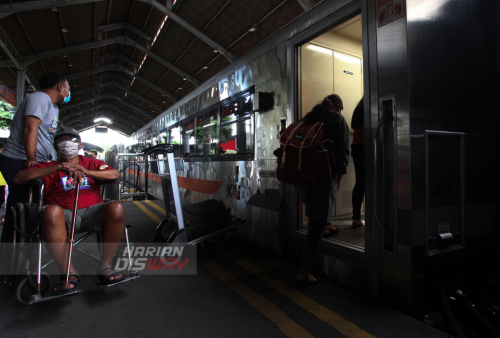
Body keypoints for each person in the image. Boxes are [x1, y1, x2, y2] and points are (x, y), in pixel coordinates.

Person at [14, 127, 125, 292]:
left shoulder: (92, 163)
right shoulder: (47, 166)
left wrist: (87, 172)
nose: (67, 143)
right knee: (50, 211)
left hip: (92, 212)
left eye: (72, 140)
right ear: (56, 146)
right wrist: (58, 169)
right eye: (61, 140)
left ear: (80, 146)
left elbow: (115, 174)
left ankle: (106, 266)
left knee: (116, 207)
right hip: (60, 216)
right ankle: (68, 273)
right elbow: (19, 178)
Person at [0, 71, 70, 240]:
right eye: (68, 88)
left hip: (33, 160)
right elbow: (30, 128)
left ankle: (27, 254)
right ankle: (11, 254)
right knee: (20, 208)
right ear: (60, 87)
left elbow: (43, 135)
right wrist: (31, 158)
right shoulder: (40, 98)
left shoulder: (53, 107)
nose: (69, 92)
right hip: (19, 160)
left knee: (31, 206)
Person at [296, 94, 350, 286]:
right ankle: (304, 271)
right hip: (323, 175)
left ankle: (326, 226)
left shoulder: (309, 117)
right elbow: (343, 153)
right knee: (317, 223)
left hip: (302, 174)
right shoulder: (337, 119)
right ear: (338, 107)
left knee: (316, 215)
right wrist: (339, 179)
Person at [350, 98, 365, 229]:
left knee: (360, 183)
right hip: (367, 148)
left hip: (357, 148)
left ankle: (356, 218)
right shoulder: (371, 105)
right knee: (371, 183)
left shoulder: (359, 108)